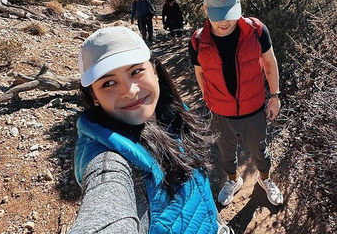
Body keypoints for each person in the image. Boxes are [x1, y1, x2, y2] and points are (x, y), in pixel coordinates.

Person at [69, 26, 232, 234]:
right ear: (93, 96)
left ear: (155, 70)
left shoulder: (171, 115)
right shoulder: (109, 162)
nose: (130, 91)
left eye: (136, 71)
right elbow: (106, 207)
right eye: (109, 83)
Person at [188, 0, 283, 207]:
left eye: (229, 13)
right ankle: (233, 180)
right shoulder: (198, 40)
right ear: (205, 8)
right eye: (218, 14)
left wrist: (274, 96)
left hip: (253, 109)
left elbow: (270, 63)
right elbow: (200, 73)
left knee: (260, 151)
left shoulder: (256, 30)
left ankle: (265, 179)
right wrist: (209, 99)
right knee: (225, 154)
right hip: (220, 113)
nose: (224, 22)